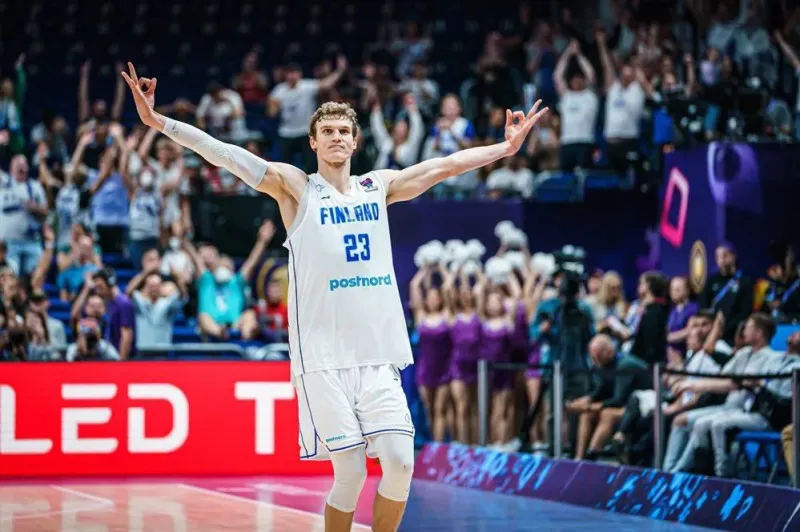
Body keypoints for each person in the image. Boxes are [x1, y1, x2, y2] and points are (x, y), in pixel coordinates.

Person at [121, 61, 548, 532]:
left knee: (401, 464)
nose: (337, 138)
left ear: (355, 140)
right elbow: (226, 155)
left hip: (376, 356)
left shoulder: (377, 187)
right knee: (350, 473)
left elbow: (444, 166)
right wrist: (158, 122)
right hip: (323, 359)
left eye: (344, 131)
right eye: (327, 131)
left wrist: (505, 148)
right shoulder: (297, 188)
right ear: (313, 141)